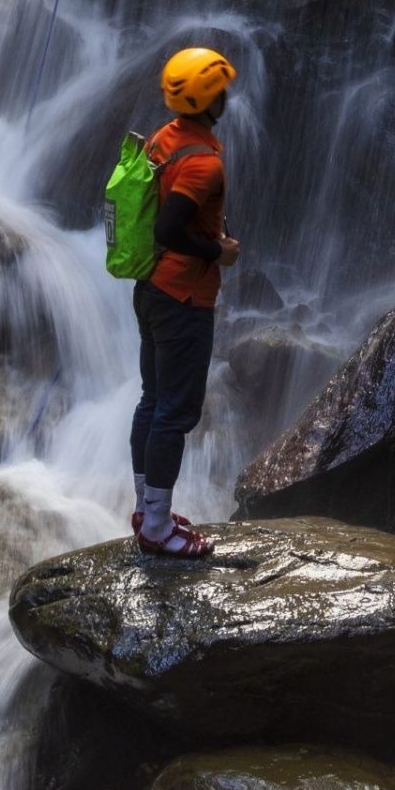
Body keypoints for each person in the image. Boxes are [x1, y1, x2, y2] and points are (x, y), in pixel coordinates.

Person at [128, 46, 241, 557]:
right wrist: (219, 251)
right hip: (182, 299)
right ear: (207, 99)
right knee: (175, 412)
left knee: (152, 403)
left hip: (150, 289)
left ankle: (146, 506)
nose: (227, 97)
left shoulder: (164, 139)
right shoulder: (203, 165)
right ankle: (157, 529)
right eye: (221, 90)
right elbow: (170, 228)